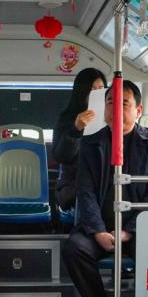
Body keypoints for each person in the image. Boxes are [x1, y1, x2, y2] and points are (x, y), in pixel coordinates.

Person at [63, 81, 148, 297]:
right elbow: (85, 191)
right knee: (74, 249)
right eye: (111, 102)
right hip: (100, 226)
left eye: (124, 103)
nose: (116, 108)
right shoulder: (91, 144)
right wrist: (98, 230)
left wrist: (128, 231)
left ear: (138, 110)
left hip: (139, 227)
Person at [52, 67, 108, 211]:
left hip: (104, 184)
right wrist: (76, 130)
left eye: (101, 88)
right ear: (82, 91)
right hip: (75, 185)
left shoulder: (111, 119)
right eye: (92, 89)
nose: (97, 93)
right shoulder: (67, 118)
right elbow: (61, 157)